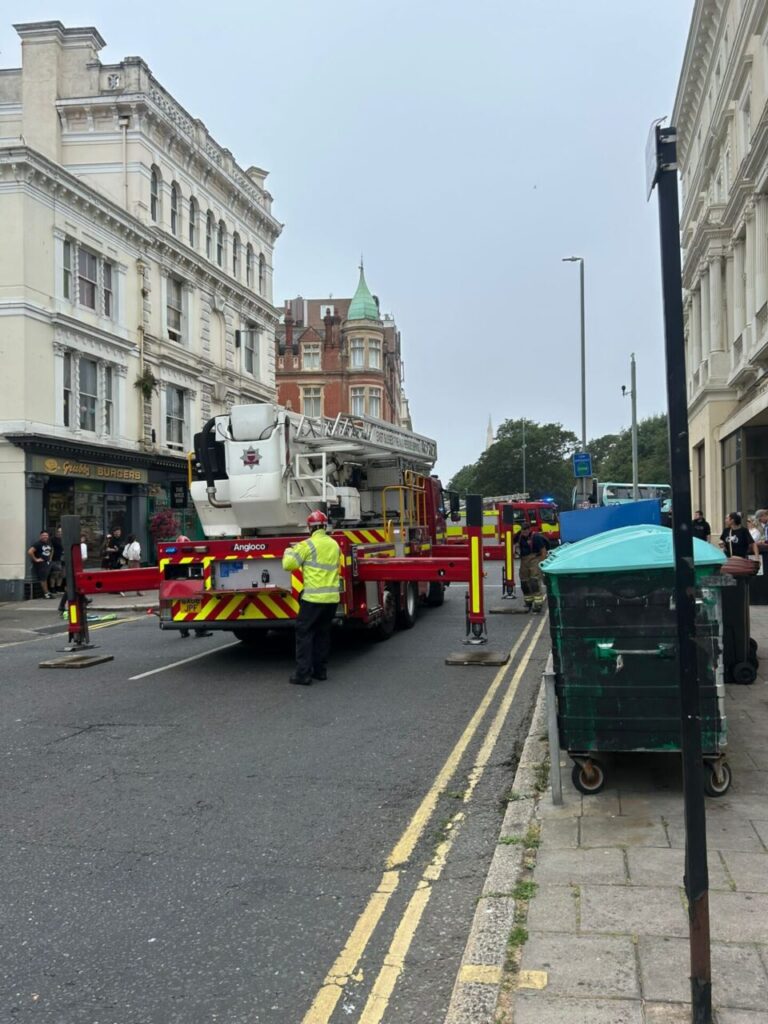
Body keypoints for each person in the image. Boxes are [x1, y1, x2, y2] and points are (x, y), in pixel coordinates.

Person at [281, 510, 341, 685]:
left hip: (313, 599)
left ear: (310, 528)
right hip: (332, 599)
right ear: (324, 526)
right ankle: (320, 671)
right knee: (323, 634)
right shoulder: (334, 545)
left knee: (304, 633)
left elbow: (288, 565)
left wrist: (288, 551)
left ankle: (303, 674)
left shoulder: (307, 545)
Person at [175, 536, 212, 638]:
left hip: (180, 587)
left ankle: (184, 631)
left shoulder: (174, 557)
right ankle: (200, 631)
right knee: (196, 607)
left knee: (181, 608)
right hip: (193, 586)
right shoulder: (195, 556)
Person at [515, 521, 549, 613]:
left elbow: (543, 551)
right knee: (524, 582)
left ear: (529, 529)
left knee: (534, 581)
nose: (524, 531)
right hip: (524, 559)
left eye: (526, 530)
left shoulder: (536, 537)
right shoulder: (519, 536)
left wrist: (542, 564)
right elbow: (511, 542)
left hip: (535, 558)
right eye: (523, 530)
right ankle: (528, 602)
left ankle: (538, 604)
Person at [27, 530, 54, 598]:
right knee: (43, 579)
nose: (45, 536)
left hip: (47, 562)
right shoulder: (38, 544)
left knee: (47, 576)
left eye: (46, 535)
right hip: (41, 564)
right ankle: (46, 594)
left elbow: (51, 550)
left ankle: (48, 592)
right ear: (40, 536)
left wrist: (50, 559)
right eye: (43, 535)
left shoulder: (48, 543)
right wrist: (36, 559)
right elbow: (30, 551)